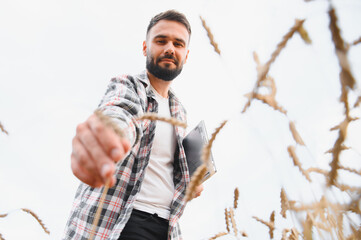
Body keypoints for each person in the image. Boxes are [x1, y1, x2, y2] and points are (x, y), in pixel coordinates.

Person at [63, 9, 203, 240]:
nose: (170, 48)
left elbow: (163, 169)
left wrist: (190, 182)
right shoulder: (128, 85)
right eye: (161, 40)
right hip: (121, 222)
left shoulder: (179, 111)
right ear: (146, 47)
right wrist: (109, 135)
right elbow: (120, 113)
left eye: (178, 44)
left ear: (186, 55)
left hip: (166, 228)